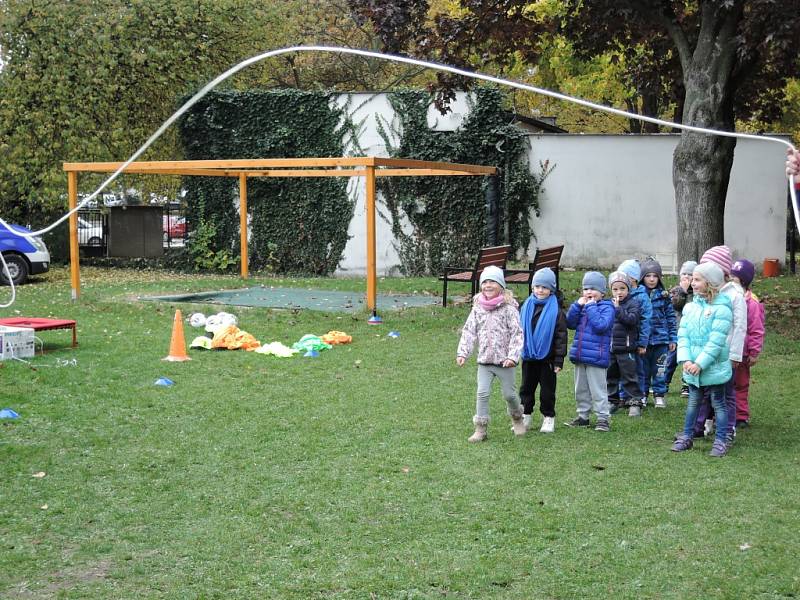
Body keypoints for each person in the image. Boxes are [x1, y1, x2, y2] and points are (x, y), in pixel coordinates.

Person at [456, 265, 526, 442]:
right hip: (485, 361)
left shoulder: (509, 309)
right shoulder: (477, 308)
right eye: (485, 282)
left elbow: (517, 333)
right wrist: (463, 352)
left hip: (505, 362)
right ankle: (480, 429)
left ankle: (517, 418)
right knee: (482, 393)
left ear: (501, 286)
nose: (488, 285)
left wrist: (512, 357)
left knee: (509, 395)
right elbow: (469, 331)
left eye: (492, 282)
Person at [672, 262, 733, 457]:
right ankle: (687, 436)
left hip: (713, 367)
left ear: (711, 283)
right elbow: (683, 336)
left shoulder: (722, 309)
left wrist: (701, 363)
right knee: (693, 403)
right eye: (692, 279)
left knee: (719, 403)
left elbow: (716, 342)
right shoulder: (690, 308)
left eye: (697, 279)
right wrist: (687, 360)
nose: (692, 283)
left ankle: (722, 440)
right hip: (692, 368)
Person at [695, 245, 746, 444]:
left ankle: (728, 429)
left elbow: (740, 327)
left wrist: (734, 355)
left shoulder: (735, 295)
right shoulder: (708, 294)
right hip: (708, 352)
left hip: (725, 354)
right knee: (705, 391)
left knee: (726, 394)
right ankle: (699, 426)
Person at [518, 267, 568, 433]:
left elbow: (561, 337)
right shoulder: (525, 306)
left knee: (547, 391)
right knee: (526, 388)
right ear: (533, 287)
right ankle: (525, 415)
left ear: (551, 290)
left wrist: (559, 359)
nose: (540, 290)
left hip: (548, 360)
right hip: (528, 358)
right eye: (538, 286)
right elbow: (518, 331)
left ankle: (548, 417)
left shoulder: (557, 312)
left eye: (545, 287)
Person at [564, 271, 615, 432]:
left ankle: (602, 418)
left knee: (598, 389)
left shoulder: (608, 308)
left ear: (602, 292)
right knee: (581, 389)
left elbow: (601, 326)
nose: (589, 292)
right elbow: (570, 323)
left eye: (593, 289)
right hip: (580, 356)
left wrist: (591, 307)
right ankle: (583, 416)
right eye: (586, 289)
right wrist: (576, 306)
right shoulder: (583, 307)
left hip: (596, 356)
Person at [729, 259, 765, 427]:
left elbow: (756, 330)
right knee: (725, 383)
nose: (730, 280)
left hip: (743, 353)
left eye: (734, 278)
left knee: (741, 384)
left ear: (743, 281)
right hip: (728, 350)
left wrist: (754, 352)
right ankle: (722, 413)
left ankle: (740, 415)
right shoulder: (728, 297)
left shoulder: (753, 303)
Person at [638, 259, 678, 408]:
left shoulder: (664, 296)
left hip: (661, 340)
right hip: (644, 341)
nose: (652, 279)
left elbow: (671, 318)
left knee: (660, 369)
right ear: (643, 277)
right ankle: (642, 394)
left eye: (655, 276)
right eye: (648, 276)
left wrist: (672, 338)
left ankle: (659, 394)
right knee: (643, 369)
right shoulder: (638, 295)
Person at [606, 271, 644, 417]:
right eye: (615, 289)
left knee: (629, 376)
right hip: (611, 348)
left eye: (622, 288)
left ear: (628, 288)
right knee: (610, 376)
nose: (619, 292)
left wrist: (618, 309)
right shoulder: (608, 304)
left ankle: (634, 401)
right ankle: (612, 400)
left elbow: (631, 320)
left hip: (627, 348)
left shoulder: (633, 304)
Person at [617, 259, 652, 407]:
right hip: (623, 341)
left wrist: (643, 342)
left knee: (638, 369)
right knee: (623, 369)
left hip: (636, 341)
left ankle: (640, 395)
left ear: (632, 279)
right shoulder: (623, 294)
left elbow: (645, 321)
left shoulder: (641, 297)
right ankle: (623, 396)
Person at [667, 260, 697, 397]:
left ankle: (686, 384)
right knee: (670, 359)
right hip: (676, 331)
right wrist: (683, 291)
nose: (686, 276)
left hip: (691, 333)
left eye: (690, 274)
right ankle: (663, 382)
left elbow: (693, 307)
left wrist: (689, 292)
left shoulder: (697, 293)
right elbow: (676, 305)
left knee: (689, 358)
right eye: (684, 273)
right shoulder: (675, 290)